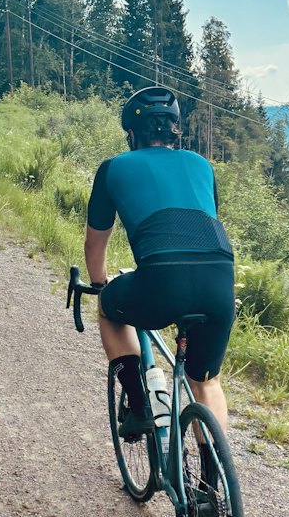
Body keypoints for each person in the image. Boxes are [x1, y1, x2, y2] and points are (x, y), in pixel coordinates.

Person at [84, 85, 236, 439]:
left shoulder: (114, 168)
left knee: (108, 310)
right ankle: (210, 485)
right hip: (219, 278)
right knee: (206, 382)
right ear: (174, 128)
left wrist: (99, 283)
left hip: (162, 279)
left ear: (131, 133)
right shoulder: (201, 165)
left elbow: (95, 243)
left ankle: (138, 407)